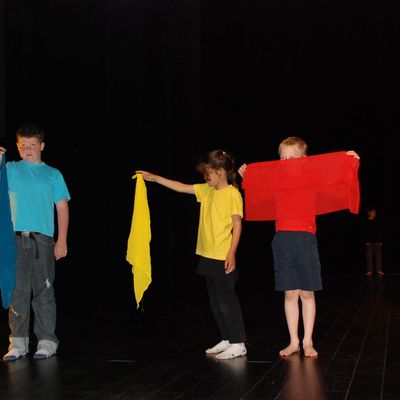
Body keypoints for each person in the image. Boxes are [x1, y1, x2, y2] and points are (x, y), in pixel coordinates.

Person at [238, 137, 360, 358]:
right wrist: (249, 176)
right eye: (282, 158)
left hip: (305, 240)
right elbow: (259, 192)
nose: (286, 161)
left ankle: (308, 341)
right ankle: (294, 340)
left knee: (307, 292)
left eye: (291, 157)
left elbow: (334, 176)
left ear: (304, 159)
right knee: (289, 293)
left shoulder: (311, 178)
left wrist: (348, 160)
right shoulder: (276, 181)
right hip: (282, 240)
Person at [137, 149, 247, 360]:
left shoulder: (232, 194)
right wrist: (155, 178)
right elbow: (180, 187)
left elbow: (237, 224)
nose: (206, 177)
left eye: (209, 173)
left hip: (222, 255)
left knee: (227, 301)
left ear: (221, 171)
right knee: (215, 301)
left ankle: (238, 342)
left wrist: (232, 253)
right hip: (207, 254)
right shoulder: (207, 190)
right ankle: (226, 338)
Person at [0, 123, 71, 361]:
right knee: (17, 291)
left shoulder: (53, 174)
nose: (28, 149)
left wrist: (62, 240)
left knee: (44, 290)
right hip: (15, 239)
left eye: (32, 145)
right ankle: (17, 344)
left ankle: (47, 341)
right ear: (17, 147)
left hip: (42, 240)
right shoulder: (9, 169)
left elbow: (62, 207)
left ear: (41, 146)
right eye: (23, 145)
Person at [364, 205, 384, 276]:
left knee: (378, 256)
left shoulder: (377, 221)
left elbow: (380, 231)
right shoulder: (366, 222)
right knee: (369, 256)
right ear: (369, 213)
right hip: (369, 242)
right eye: (372, 212)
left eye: (375, 212)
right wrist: (366, 241)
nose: (374, 214)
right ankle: (370, 270)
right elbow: (364, 232)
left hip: (377, 241)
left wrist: (381, 241)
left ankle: (379, 270)